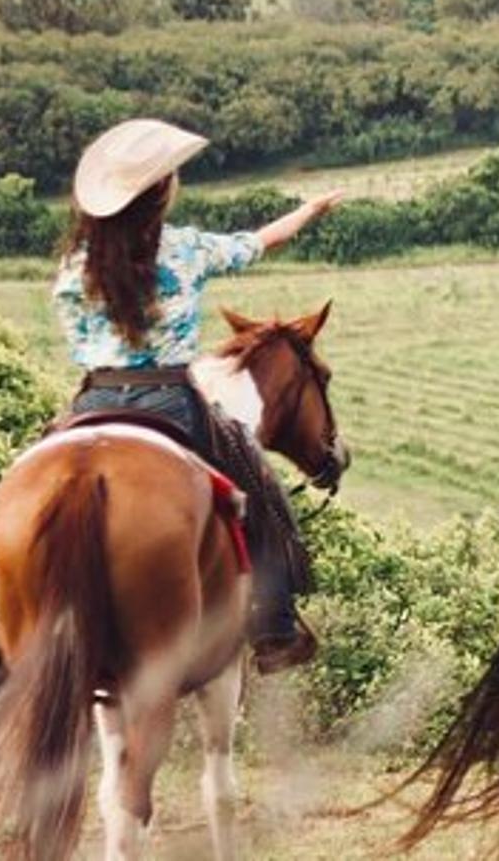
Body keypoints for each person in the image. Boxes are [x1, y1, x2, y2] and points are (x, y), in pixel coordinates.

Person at [53, 117, 341, 673]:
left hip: (92, 401)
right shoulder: (184, 250)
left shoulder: (74, 266)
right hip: (171, 403)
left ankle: (0, 621)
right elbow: (259, 243)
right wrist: (310, 210)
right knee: (258, 492)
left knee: (31, 476)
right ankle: (274, 628)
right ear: (160, 192)